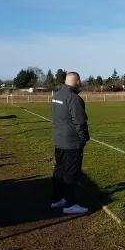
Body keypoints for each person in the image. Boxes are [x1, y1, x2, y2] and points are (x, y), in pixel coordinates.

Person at [50, 72, 90, 214]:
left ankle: (57, 199)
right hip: (71, 141)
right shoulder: (74, 98)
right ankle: (70, 204)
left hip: (58, 139)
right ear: (77, 81)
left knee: (59, 170)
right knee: (71, 173)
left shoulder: (56, 96)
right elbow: (80, 121)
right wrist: (84, 137)